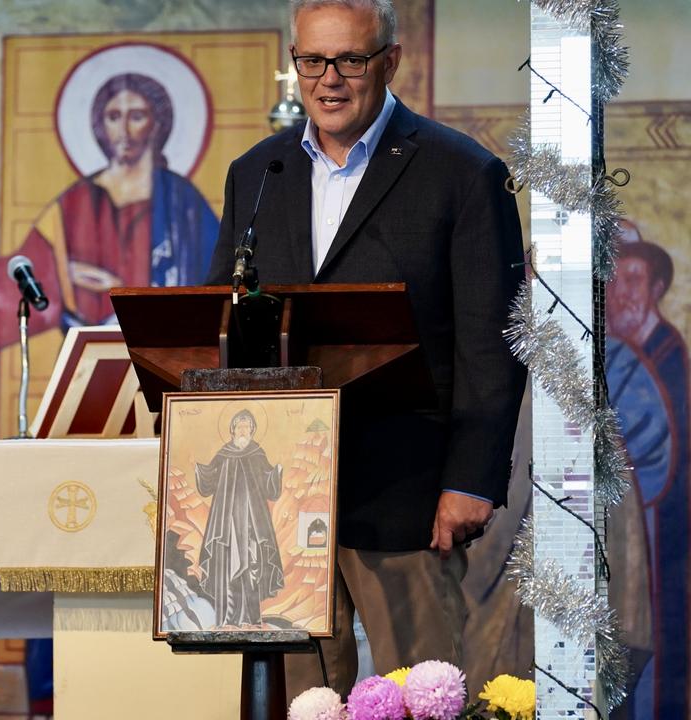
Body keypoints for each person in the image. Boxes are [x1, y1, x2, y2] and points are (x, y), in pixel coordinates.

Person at [206, 0, 525, 697]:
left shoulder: (462, 173)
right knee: (303, 701)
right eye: (311, 61)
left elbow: (491, 340)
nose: (329, 80)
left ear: (390, 61)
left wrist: (470, 478)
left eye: (349, 60)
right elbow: (223, 323)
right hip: (279, 502)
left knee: (422, 696)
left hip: (406, 494)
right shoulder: (257, 173)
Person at [0, 72, 219, 352]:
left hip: (168, 352)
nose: (124, 130)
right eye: (113, 117)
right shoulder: (75, 201)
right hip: (95, 353)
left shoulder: (182, 200)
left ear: (157, 123)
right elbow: (30, 271)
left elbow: (218, 274)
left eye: (136, 116)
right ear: (100, 125)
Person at [605, 222, 689, 718]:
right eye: (614, 282)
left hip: (663, 531)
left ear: (657, 288)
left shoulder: (663, 353)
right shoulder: (626, 350)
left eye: (634, 281)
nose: (622, 295)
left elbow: (660, 451)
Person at [194, 409, 285, 627]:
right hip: (227, 523)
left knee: (252, 567)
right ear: (232, 429)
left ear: (252, 430)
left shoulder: (257, 452)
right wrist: (199, 469)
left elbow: (267, 482)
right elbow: (210, 479)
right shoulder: (224, 454)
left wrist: (276, 472)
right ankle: (228, 619)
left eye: (247, 426)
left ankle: (252, 618)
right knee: (227, 568)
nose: (243, 430)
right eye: (239, 426)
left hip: (252, 522)